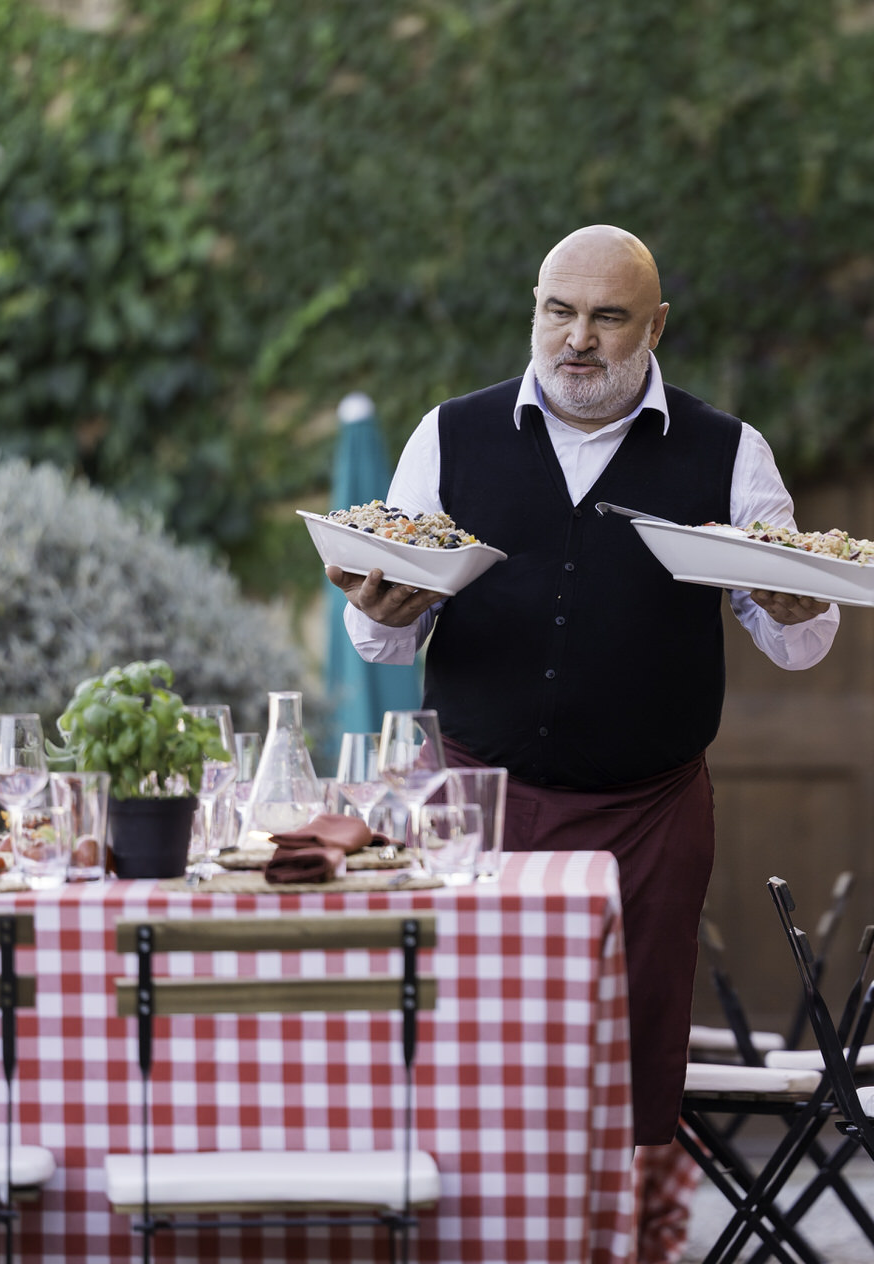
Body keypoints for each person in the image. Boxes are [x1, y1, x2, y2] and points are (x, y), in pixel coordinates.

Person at [329, 224, 839, 1151]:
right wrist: (384, 604)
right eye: (558, 312)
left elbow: (801, 643)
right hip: (469, 802)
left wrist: (791, 601)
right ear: (534, 309)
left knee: (629, 1079)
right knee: (466, 1066)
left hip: (650, 817)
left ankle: (614, 1240)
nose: (578, 340)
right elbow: (377, 642)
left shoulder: (729, 451)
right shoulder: (449, 434)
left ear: (657, 327)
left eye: (609, 318)